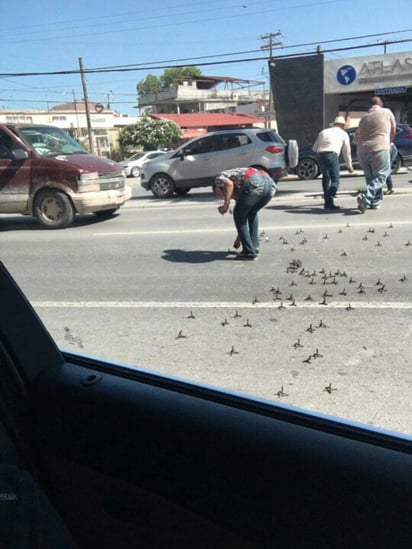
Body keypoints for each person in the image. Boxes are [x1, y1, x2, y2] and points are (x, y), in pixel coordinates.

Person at [214, 167, 276, 260]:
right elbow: (243, 218)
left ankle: (249, 252)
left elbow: (228, 184)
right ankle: (253, 247)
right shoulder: (240, 191)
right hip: (270, 184)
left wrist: (226, 205)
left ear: (216, 187)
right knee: (251, 212)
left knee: (238, 214)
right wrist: (239, 239)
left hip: (256, 181)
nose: (222, 195)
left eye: (218, 193)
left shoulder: (218, 179)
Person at [356, 96, 396, 212]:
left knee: (371, 178)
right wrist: (389, 143)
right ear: (381, 104)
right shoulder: (386, 112)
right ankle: (366, 197)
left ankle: (374, 202)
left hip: (362, 152)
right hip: (379, 148)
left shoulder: (363, 118)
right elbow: (393, 130)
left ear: (369, 106)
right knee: (381, 175)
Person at [312, 115, 354, 209]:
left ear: (334, 124)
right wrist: (349, 165)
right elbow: (346, 152)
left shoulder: (324, 132)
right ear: (343, 125)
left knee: (325, 178)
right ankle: (330, 194)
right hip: (332, 155)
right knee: (335, 180)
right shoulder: (343, 134)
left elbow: (315, 148)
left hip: (321, 155)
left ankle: (328, 203)